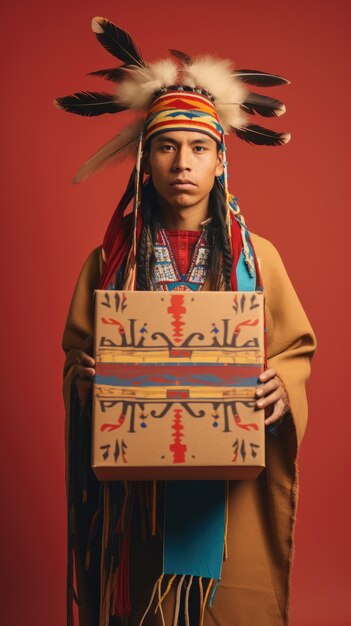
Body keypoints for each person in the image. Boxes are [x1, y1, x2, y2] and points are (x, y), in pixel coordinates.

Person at [59, 16, 317, 626]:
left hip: (231, 492)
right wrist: (86, 376)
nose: (183, 162)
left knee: (232, 607)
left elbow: (294, 350)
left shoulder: (260, 258)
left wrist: (284, 382)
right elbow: (76, 357)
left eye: (199, 148)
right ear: (144, 160)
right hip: (137, 497)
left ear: (220, 160)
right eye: (167, 146)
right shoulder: (109, 264)